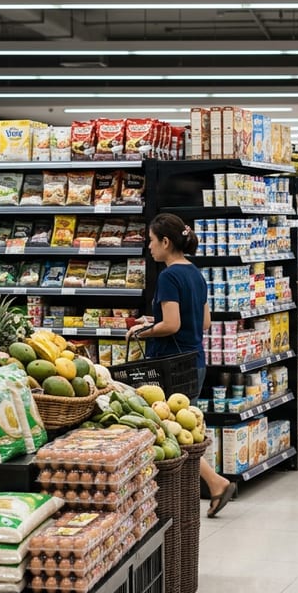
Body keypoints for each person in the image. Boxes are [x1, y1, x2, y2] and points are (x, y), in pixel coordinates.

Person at [126, 214, 235, 517]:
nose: (148, 247)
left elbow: (172, 324)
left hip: (170, 366)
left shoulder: (168, 276)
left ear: (165, 242)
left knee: (169, 430)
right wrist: (154, 321)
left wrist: (142, 330)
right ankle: (197, 492)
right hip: (194, 360)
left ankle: (214, 483)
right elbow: (204, 321)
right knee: (187, 427)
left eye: (150, 240)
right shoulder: (195, 273)